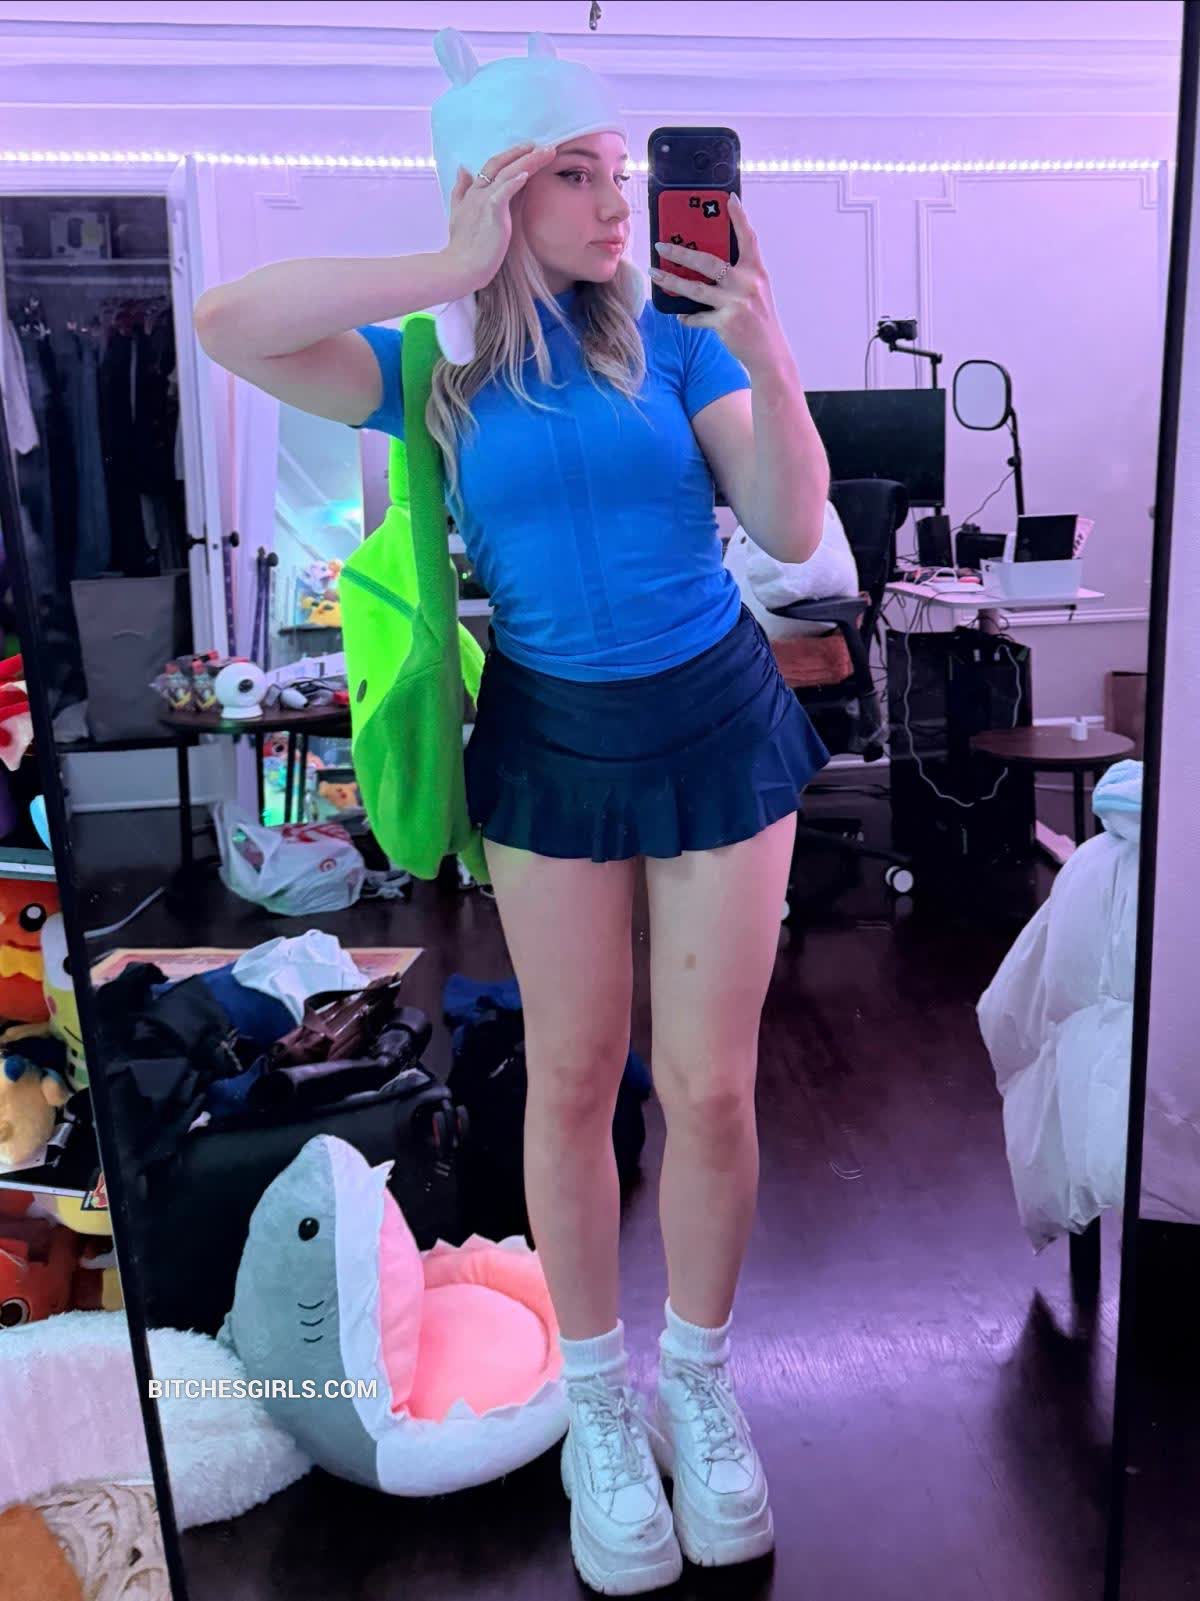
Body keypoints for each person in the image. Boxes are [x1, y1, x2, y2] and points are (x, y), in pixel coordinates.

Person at [194, 28, 832, 1598]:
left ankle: (696, 1381)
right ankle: (599, 1403)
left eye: (620, 172)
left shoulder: (678, 341)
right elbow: (228, 322)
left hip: (718, 722)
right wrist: (445, 264)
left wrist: (767, 347)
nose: (618, 204)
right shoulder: (433, 369)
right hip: (551, 743)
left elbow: (788, 520)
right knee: (572, 1079)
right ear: (494, 192)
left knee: (714, 1090)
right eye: (577, 175)